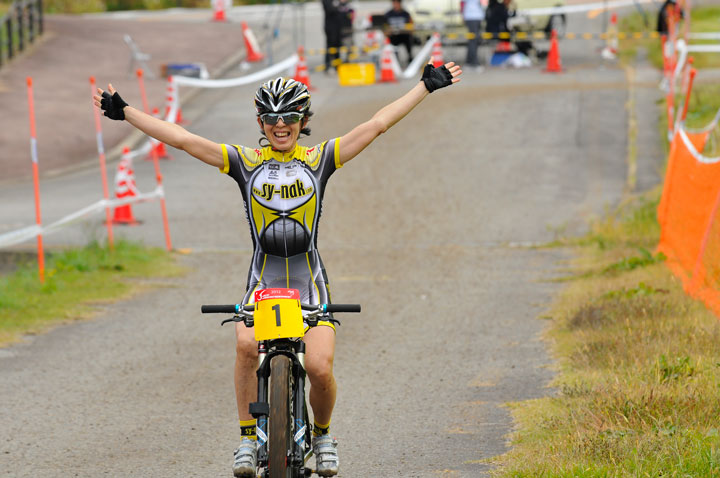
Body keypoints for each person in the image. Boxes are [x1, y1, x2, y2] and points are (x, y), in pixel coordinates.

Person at [94, 60, 462, 477]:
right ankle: (248, 440)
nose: (280, 125)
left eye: (289, 117)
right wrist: (126, 113)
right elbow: (181, 139)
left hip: (311, 284)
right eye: (271, 118)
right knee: (246, 347)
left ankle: (322, 435)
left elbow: (376, 124)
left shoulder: (321, 158)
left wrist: (424, 88)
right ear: (261, 122)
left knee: (321, 367)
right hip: (262, 283)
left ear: (303, 120)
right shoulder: (245, 162)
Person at [385, 0, 414, 66]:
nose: (396, 5)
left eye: (397, 3)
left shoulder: (405, 13)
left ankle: (410, 57)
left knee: (409, 39)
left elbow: (411, 24)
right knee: (392, 41)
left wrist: (410, 31)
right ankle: (395, 59)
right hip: (394, 35)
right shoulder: (388, 14)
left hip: (404, 34)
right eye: (394, 3)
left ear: (400, 4)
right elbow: (384, 25)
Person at [462, 0, 486, 69]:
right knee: (473, 41)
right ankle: (473, 63)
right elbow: (462, 3)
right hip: (472, 16)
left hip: (477, 16)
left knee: (475, 40)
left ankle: (469, 61)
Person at [322, 0, 343, 71]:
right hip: (330, 26)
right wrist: (339, 3)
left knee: (338, 46)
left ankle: (337, 65)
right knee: (330, 46)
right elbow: (330, 9)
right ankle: (327, 65)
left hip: (338, 26)